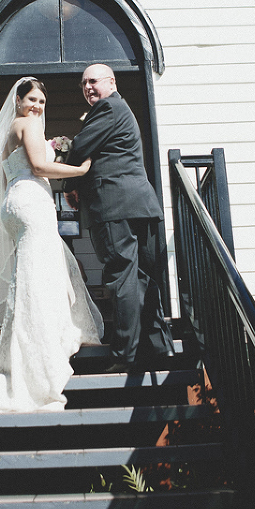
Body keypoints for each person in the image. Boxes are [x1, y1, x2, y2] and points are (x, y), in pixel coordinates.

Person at [0, 77, 102, 412]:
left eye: (41, 102)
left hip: (16, 202)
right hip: (32, 205)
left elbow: (14, 172)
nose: (37, 107)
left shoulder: (11, 129)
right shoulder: (28, 124)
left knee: (32, 279)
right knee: (39, 281)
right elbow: (38, 166)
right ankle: (37, 365)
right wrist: (79, 170)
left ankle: (28, 348)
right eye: (31, 100)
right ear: (18, 101)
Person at [66, 65, 175, 371]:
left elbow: (80, 147)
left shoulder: (108, 107)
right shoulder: (119, 108)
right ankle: (159, 345)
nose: (87, 87)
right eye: (83, 83)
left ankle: (125, 355)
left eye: (93, 81)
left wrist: (72, 183)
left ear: (111, 82)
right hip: (138, 204)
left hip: (115, 206)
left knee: (122, 276)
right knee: (140, 277)